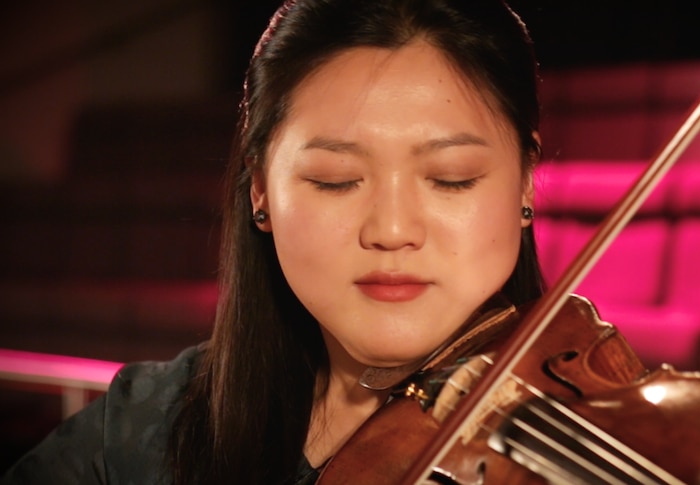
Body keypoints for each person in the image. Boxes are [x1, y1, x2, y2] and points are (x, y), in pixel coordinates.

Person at [2, 0, 544, 483]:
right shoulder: (147, 424)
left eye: (452, 177)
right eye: (335, 179)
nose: (392, 231)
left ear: (524, 181)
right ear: (260, 189)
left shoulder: (600, 433)